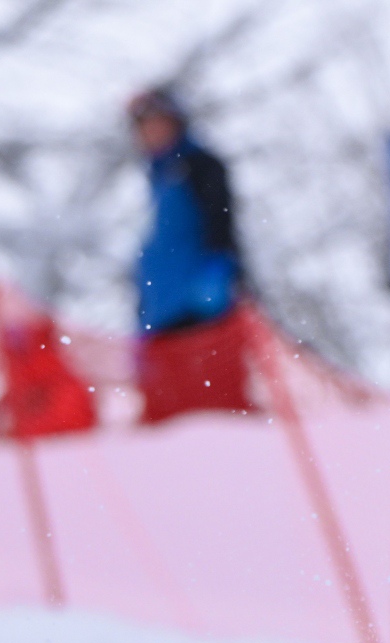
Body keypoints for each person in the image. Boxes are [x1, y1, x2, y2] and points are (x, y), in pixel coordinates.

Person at [126, 86, 252, 425]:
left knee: (218, 407)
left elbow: (221, 220)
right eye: (142, 127)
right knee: (174, 415)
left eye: (156, 122)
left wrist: (221, 269)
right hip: (163, 315)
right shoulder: (158, 177)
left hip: (201, 307)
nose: (150, 133)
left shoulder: (197, 165)